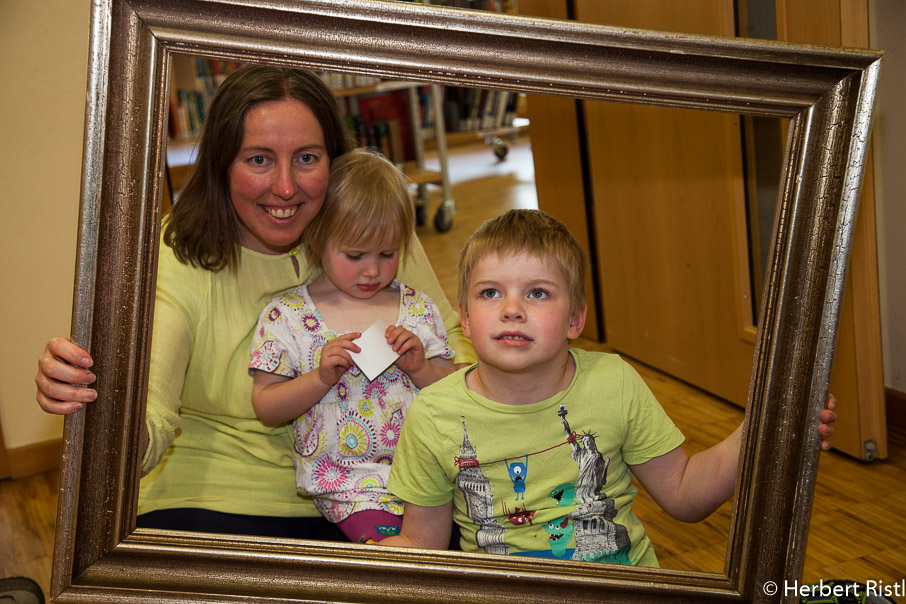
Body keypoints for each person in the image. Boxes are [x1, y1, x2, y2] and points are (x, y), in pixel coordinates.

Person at [33, 65, 474, 539]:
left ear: (335, 161)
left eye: (306, 158)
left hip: (388, 488)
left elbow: (452, 349)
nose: (285, 187)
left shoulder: (370, 231)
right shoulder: (176, 255)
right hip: (214, 496)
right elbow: (152, 410)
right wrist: (97, 412)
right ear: (222, 166)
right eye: (259, 160)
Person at [381, 209, 836, 565]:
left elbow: (683, 493)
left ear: (576, 319)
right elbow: (423, 543)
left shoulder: (613, 382)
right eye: (490, 293)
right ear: (463, 317)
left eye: (538, 292)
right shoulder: (432, 413)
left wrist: (763, 431)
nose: (512, 309)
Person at [248, 148, 456, 543]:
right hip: (350, 488)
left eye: (388, 254)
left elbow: (455, 391)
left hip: (432, 478)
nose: (373, 270)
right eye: (355, 255)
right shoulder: (288, 316)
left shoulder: (417, 308)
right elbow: (267, 406)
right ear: (317, 239)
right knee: (393, 561)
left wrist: (422, 368)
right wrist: (320, 377)